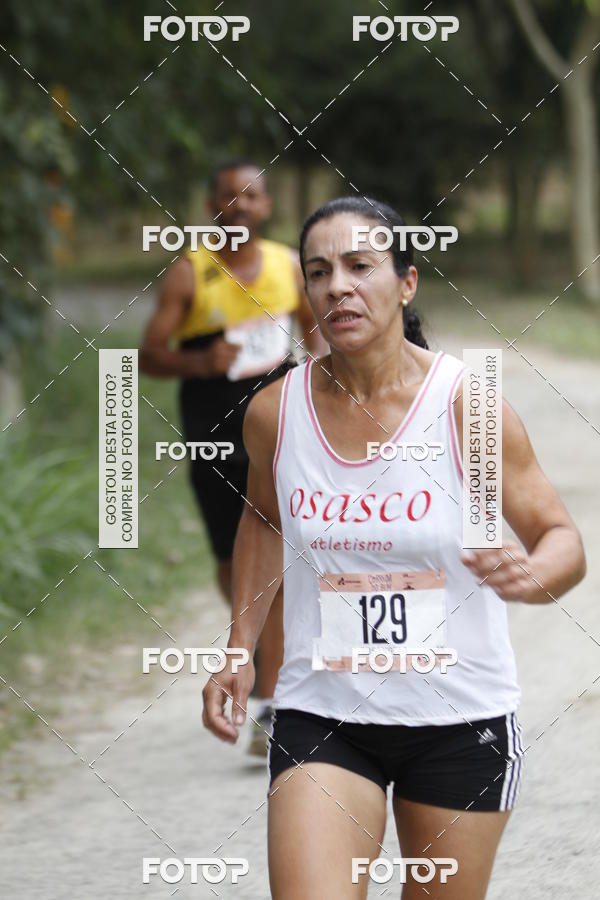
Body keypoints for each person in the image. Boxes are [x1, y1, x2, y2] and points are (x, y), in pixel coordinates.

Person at [202, 196, 586, 898]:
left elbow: (561, 538)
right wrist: (239, 648)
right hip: (324, 711)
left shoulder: (467, 405)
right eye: (318, 272)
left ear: (406, 282)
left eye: (359, 265)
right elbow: (263, 519)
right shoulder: (274, 411)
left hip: (459, 720)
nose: (337, 286)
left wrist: (533, 575)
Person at [140, 159, 325, 754]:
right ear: (210, 206)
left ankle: (273, 702)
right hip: (212, 428)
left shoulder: (288, 266)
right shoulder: (189, 274)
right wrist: (200, 362)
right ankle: (265, 658)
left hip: (278, 421)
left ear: (267, 206)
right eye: (228, 196)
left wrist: (325, 385)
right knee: (231, 558)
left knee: (281, 543)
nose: (240, 206)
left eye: (251, 197)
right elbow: (147, 355)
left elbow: (315, 335)